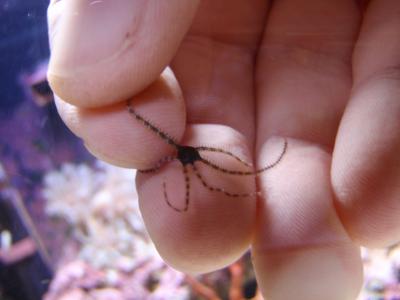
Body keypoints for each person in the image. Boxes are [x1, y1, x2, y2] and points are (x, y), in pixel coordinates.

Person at [46, 1, 400, 299]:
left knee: (219, 176)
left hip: (187, 144)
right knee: (172, 149)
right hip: (179, 139)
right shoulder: (173, 148)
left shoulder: (181, 153)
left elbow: (217, 175)